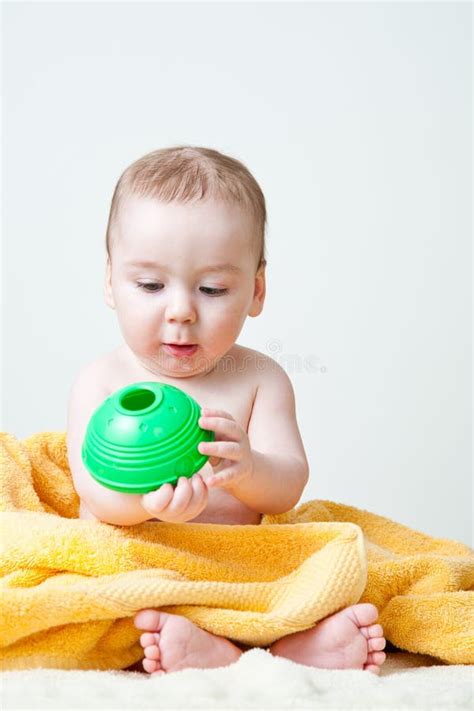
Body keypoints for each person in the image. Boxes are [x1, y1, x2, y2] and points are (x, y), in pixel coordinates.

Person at [66, 145, 386, 675]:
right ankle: (211, 643)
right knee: (95, 586)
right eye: (149, 285)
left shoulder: (259, 380)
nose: (181, 311)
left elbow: (288, 486)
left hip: (237, 564)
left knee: (336, 558)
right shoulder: (101, 381)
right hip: (147, 557)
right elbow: (96, 495)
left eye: (212, 288)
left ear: (256, 290)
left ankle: (286, 644)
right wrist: (149, 507)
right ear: (109, 282)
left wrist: (250, 469)